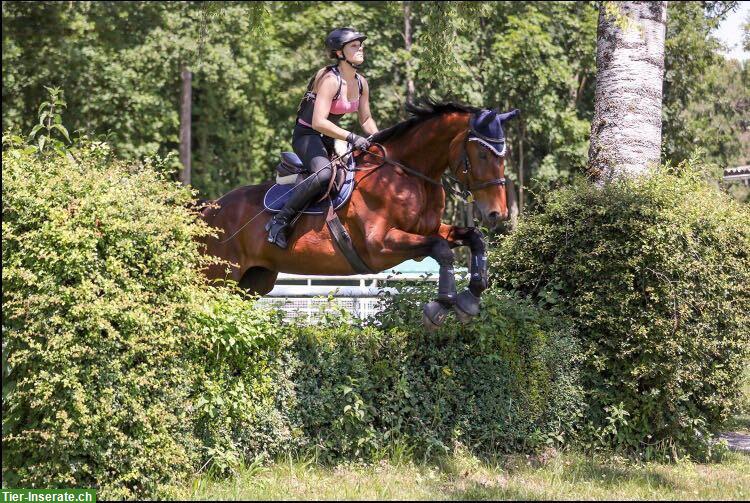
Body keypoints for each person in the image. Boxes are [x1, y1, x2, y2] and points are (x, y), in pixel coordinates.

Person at [265, 27, 379, 249]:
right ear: (339, 53)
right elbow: (318, 122)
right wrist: (352, 137)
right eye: (354, 46)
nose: (361, 48)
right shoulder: (330, 79)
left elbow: (366, 119)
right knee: (324, 173)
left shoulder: (361, 82)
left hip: (330, 137)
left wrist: (379, 140)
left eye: (361, 44)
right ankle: (279, 221)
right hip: (307, 135)